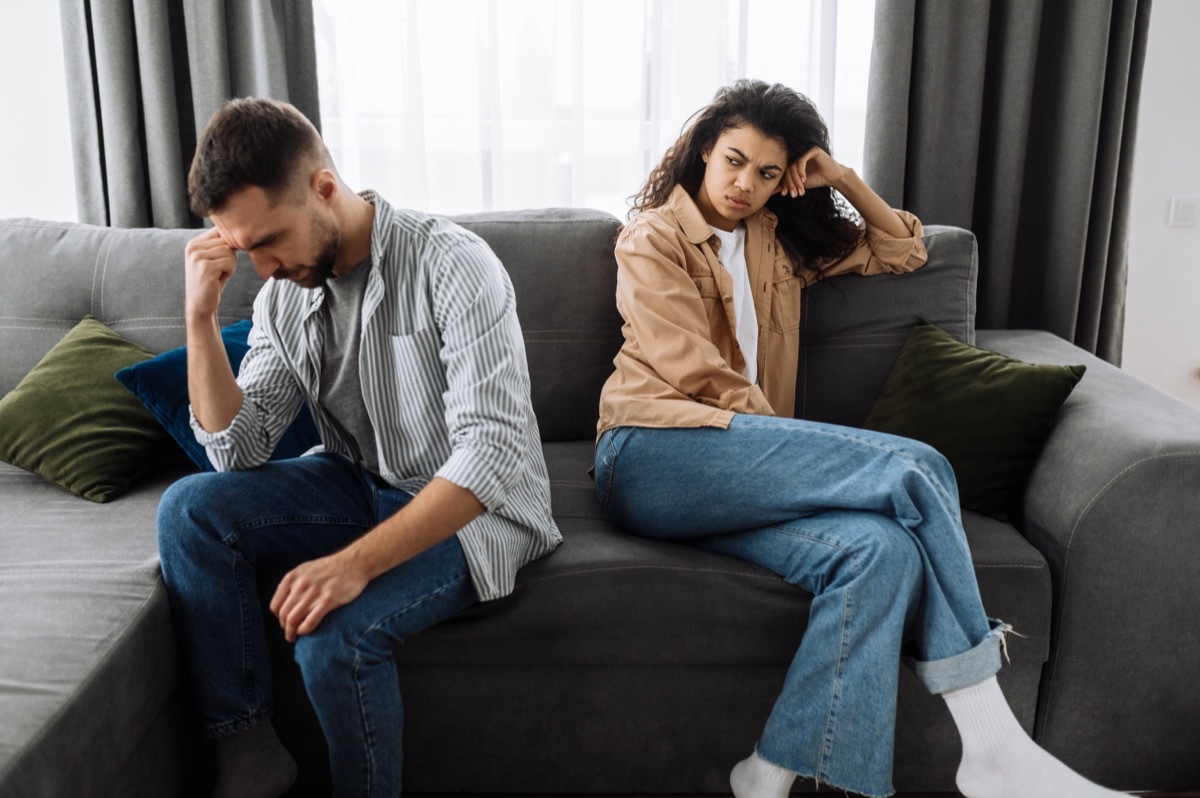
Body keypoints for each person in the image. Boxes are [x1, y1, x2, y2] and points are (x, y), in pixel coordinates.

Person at [592, 80, 1126, 798]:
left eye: (767, 172)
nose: (744, 183)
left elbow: (901, 250)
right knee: (917, 467)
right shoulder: (652, 237)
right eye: (733, 160)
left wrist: (840, 178)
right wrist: (788, 447)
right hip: (653, 454)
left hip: (739, 475)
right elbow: (690, 367)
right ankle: (994, 747)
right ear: (702, 152)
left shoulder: (774, 243)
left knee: (883, 552)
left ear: (788, 181)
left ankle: (770, 773)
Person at [157, 97, 561, 798]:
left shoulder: (454, 262)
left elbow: (490, 454)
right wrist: (198, 318)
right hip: (357, 483)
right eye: (241, 247)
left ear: (323, 188)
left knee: (334, 638)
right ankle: (249, 752)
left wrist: (352, 566)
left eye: (269, 240)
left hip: (473, 512)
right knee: (190, 509)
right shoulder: (283, 293)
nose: (261, 265)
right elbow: (238, 449)